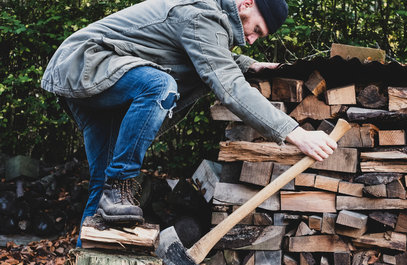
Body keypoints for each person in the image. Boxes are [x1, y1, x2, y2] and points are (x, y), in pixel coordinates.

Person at [41, 0, 337, 236]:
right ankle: (121, 183)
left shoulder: (207, 19)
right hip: (86, 63)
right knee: (158, 86)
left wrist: (250, 65)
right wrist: (296, 133)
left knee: (102, 192)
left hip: (91, 74)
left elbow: (208, 53)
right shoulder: (202, 13)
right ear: (246, 4)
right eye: (256, 30)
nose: (250, 40)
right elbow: (228, 85)